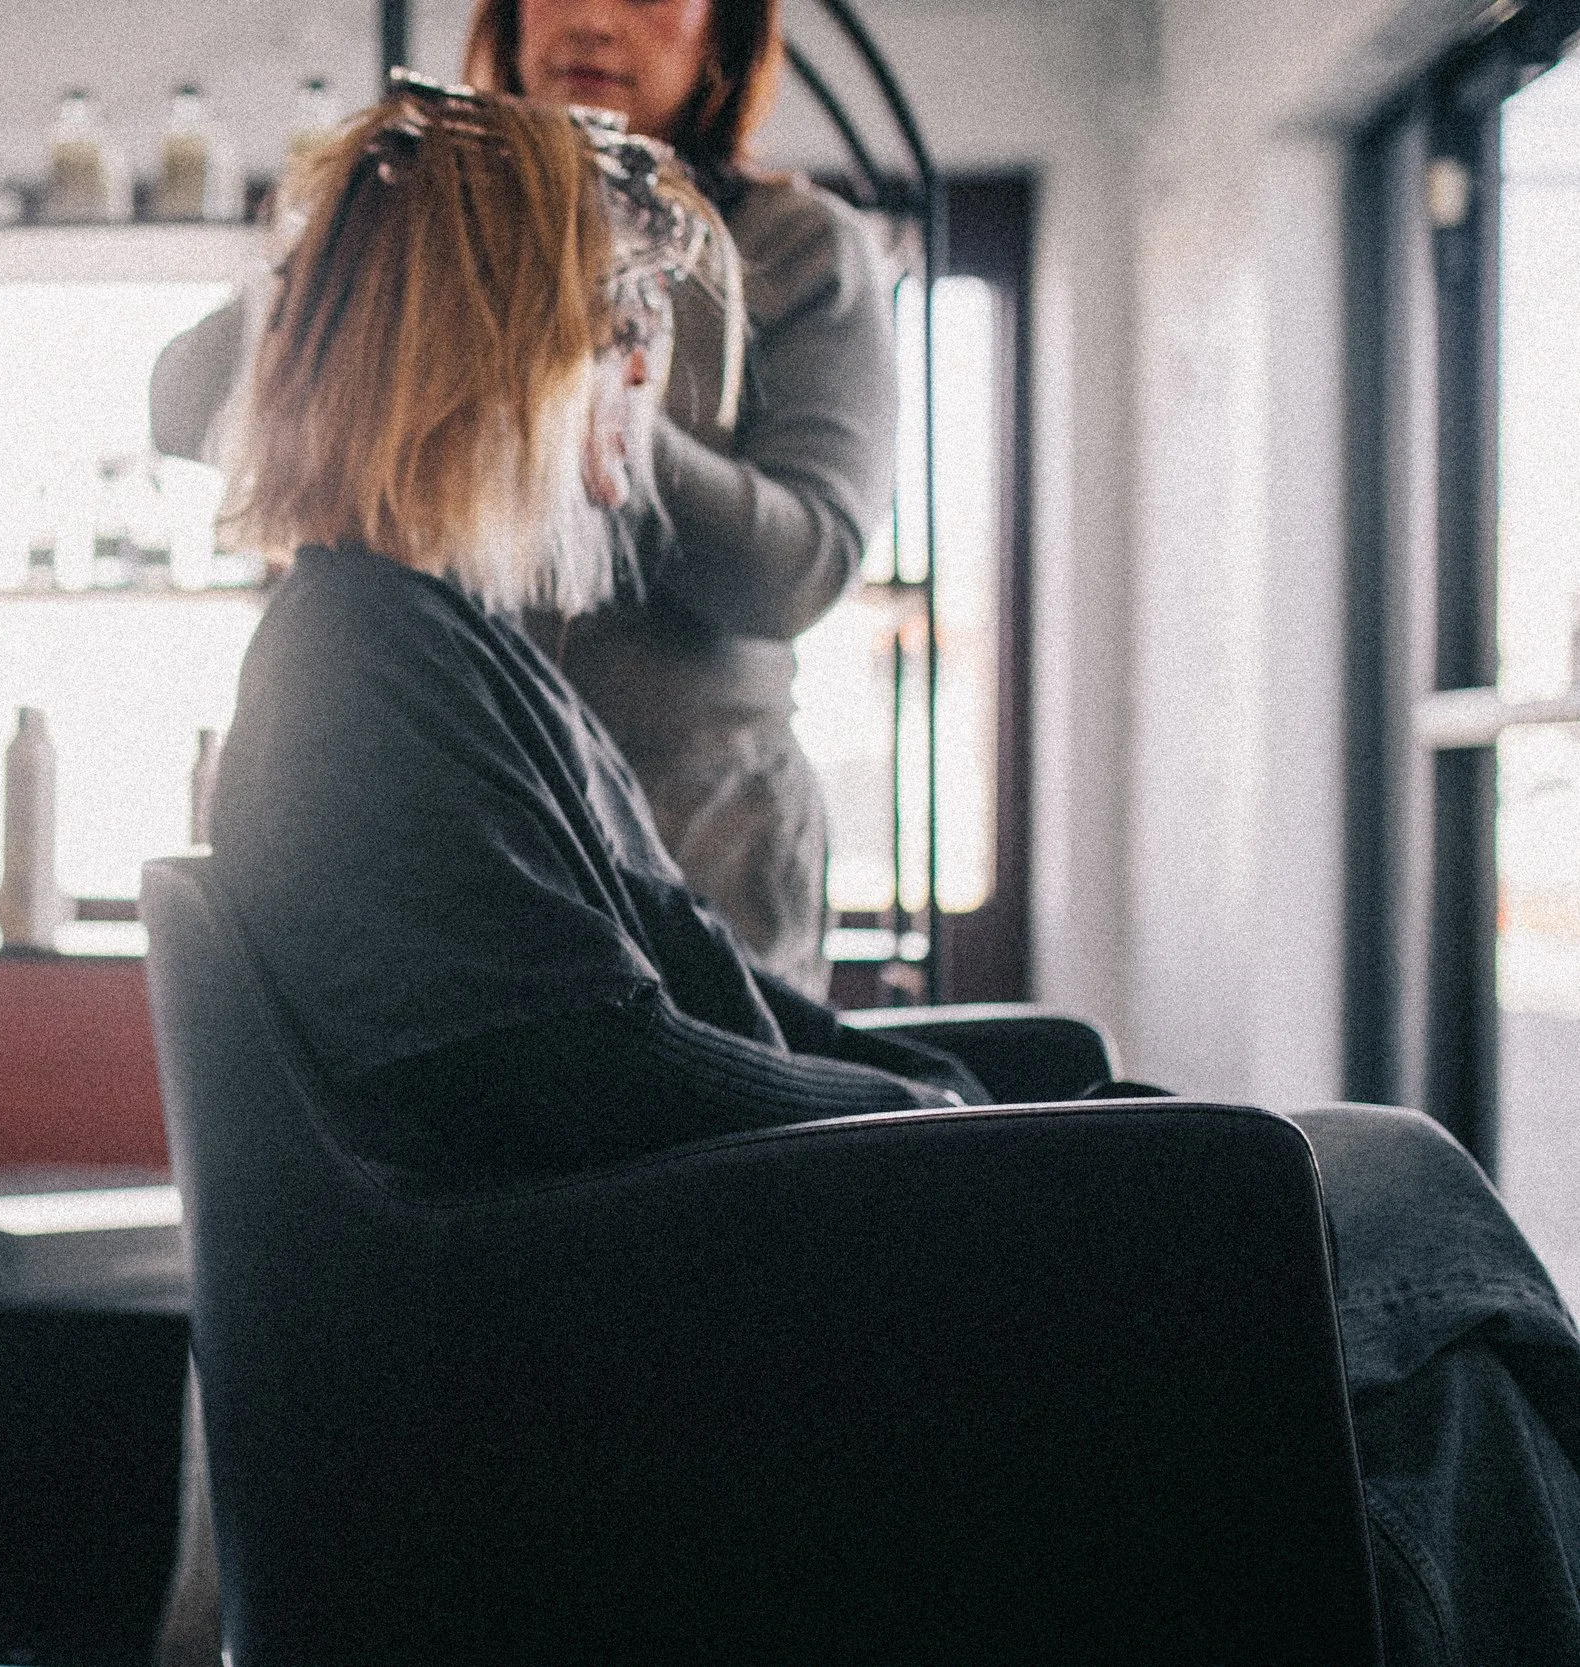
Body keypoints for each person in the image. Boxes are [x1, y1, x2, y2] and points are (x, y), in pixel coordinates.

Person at [161, 81, 1580, 1666]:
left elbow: (698, 990)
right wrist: (942, 1131)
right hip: (664, 1344)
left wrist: (970, 1107)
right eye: (622, 327)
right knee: (1396, 1226)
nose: (644, 376)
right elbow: (574, 1074)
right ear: (501, 342)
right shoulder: (369, 663)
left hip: (709, 1280)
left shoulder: (443, 645)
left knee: (1418, 1342)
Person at [153, 0, 888, 1003]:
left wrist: (581, 399)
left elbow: (794, 568)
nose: (588, 18)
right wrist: (370, 246)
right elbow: (183, 399)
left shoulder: (798, 247)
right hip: (447, 788)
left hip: (694, 823)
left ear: (724, 27)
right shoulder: (417, 224)